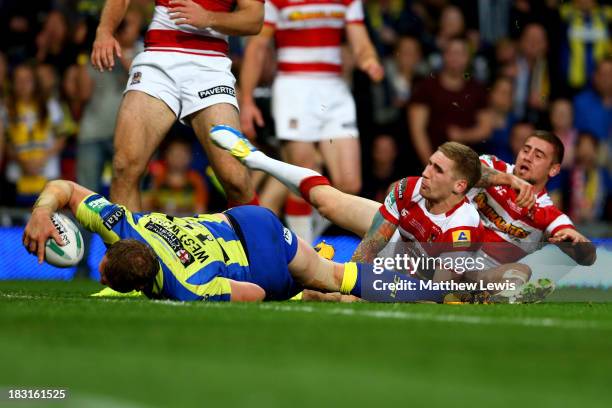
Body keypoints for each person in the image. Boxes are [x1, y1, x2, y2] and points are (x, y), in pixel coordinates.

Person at [22, 179, 450, 303]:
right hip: (248, 219)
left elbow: (253, 292)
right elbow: (65, 187)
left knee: (333, 282)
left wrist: (293, 289)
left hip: (260, 263)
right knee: (336, 276)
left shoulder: (184, 290)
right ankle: (449, 281)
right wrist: (43, 211)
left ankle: (446, 289)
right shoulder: (124, 223)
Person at [90, 0, 263, 211]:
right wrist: (105, 31)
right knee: (124, 166)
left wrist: (208, 18)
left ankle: (260, 242)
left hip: (211, 65)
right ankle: (128, 245)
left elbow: (254, 19)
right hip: (158, 57)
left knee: (235, 177)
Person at [238, 0, 384, 242]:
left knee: (349, 182)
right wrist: (247, 100)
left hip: (334, 88)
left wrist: (369, 61)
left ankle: (305, 242)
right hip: (294, 87)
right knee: (303, 173)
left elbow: (361, 43)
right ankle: (304, 254)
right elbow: (258, 46)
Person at [409, 37, 488, 167]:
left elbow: (485, 128)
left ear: (468, 57)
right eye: (451, 53)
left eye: (460, 53)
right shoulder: (427, 86)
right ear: (444, 55)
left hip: (467, 166)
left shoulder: (476, 88)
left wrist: (463, 135)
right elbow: (417, 131)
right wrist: (431, 166)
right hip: (430, 162)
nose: (455, 58)